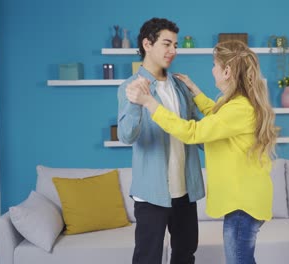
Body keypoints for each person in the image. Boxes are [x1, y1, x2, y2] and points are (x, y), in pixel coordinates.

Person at [126, 40, 277, 264]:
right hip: (246, 201)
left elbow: (192, 132)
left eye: (215, 65)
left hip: (243, 205)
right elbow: (217, 115)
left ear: (227, 71)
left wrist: (150, 103)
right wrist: (195, 91)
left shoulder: (238, 108)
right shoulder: (237, 103)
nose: (212, 69)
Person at [117, 17, 205, 264]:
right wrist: (136, 103)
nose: (173, 51)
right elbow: (126, 136)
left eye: (175, 45)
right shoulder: (130, 87)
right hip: (151, 194)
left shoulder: (179, 86)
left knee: (185, 255)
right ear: (147, 44)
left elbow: (196, 130)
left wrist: (228, 140)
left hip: (185, 191)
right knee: (147, 259)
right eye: (167, 44)